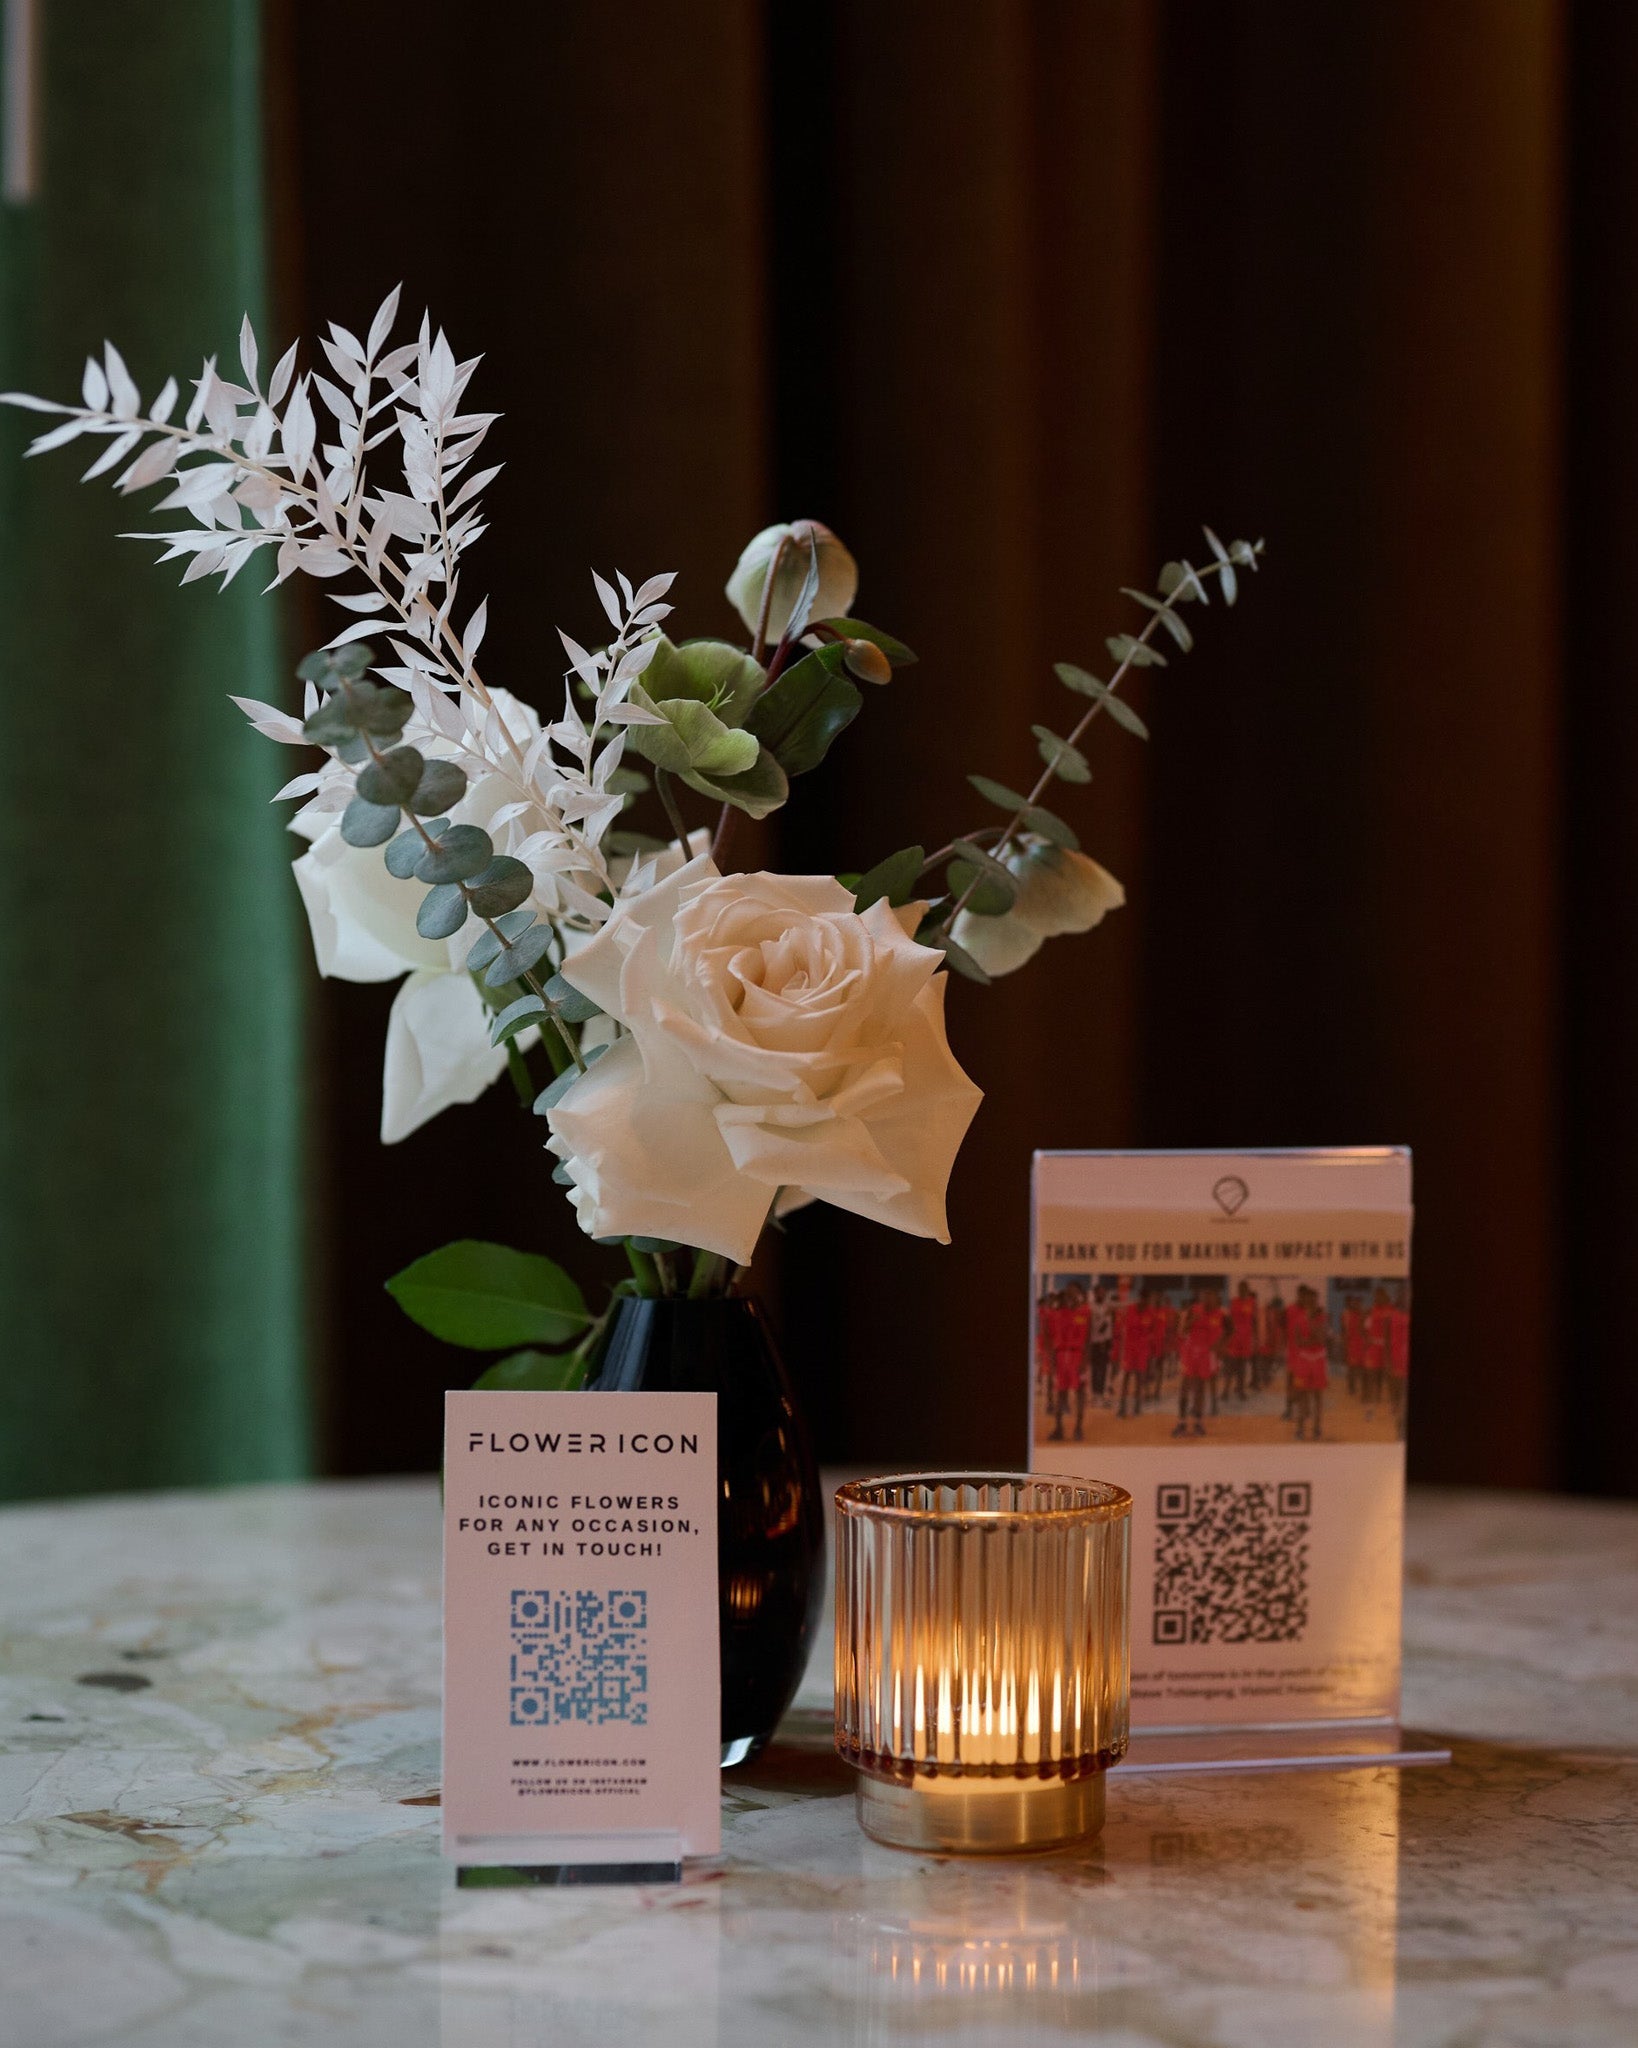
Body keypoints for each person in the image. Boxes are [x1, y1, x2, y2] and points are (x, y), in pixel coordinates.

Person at [1173, 1287, 1226, 1437]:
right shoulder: (1194, 1309)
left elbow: (1230, 1329)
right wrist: (1191, 1321)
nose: (1208, 1298)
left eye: (1211, 1295)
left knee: (1200, 1390)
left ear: (1216, 1297)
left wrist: (1221, 1343)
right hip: (1190, 1352)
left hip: (1206, 1354)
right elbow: (1182, 1330)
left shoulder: (1221, 1314)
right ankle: (1181, 1423)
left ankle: (1198, 1423)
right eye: (1206, 1294)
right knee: (1185, 1386)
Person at [1047, 1284, 1090, 1441]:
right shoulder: (1058, 1314)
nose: (1071, 1297)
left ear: (1079, 1295)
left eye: (1074, 1294)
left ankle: (1078, 1428)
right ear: (1065, 1296)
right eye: (1068, 1294)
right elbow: (1052, 1339)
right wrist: (1052, 1363)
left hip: (1077, 1356)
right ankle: (1059, 1429)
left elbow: (1088, 1339)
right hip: (1061, 1357)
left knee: (1080, 1392)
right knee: (1060, 1393)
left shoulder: (1085, 1312)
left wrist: (1085, 1362)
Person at [1290, 1292, 1329, 1440]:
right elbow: (1298, 1342)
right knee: (1302, 1395)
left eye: (1314, 1301)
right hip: (1304, 1360)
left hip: (1318, 1359)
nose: (1312, 1304)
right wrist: (1311, 1340)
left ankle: (1317, 1428)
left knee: (1318, 1396)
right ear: (1306, 1303)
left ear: (1317, 1302)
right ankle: (1300, 1429)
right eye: (1309, 1301)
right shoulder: (1299, 1320)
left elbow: (1321, 1339)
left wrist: (1311, 1335)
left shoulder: (1322, 1319)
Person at [1116, 1289, 1152, 1418]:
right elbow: (1123, 1328)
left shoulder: (1150, 1312)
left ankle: (1137, 1406)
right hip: (1129, 1348)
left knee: (1139, 1377)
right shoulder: (1130, 1309)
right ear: (1140, 1298)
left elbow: (1151, 1329)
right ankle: (1122, 1407)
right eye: (1143, 1299)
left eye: (1147, 1300)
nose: (1145, 1302)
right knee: (1126, 1377)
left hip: (1142, 1349)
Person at [1225, 1279, 1257, 1401]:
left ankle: (1241, 1390)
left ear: (1247, 1290)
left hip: (1246, 1338)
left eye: (1244, 1289)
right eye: (1240, 1289)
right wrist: (1227, 1336)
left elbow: (1254, 1321)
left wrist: (1255, 1338)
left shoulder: (1252, 1302)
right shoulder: (1233, 1302)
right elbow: (1228, 1320)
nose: (1242, 1291)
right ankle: (1226, 1390)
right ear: (1238, 1290)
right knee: (1231, 1365)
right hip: (1234, 1337)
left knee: (1242, 1366)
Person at [1364, 1286, 1392, 1418]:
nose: (1377, 1298)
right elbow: (1365, 1327)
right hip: (1374, 1348)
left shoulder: (1391, 1310)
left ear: (1385, 1296)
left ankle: (1393, 1405)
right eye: (1375, 1296)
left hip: (1387, 1347)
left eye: (1380, 1295)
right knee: (1371, 1377)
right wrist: (1367, 1339)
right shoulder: (1371, 1310)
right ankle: (1370, 1408)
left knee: (1388, 1377)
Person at [1387, 1287, 1411, 1439]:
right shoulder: (1392, 1315)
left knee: (1404, 1395)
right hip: (1396, 1359)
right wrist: (1387, 1361)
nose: (1405, 1298)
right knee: (1397, 1395)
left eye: (1407, 1295)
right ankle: (1399, 1425)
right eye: (1402, 1295)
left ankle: (1401, 1428)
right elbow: (1387, 1339)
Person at [1088, 1285, 1114, 1404]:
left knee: (1103, 1369)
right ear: (1095, 1293)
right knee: (1094, 1368)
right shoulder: (1090, 1307)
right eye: (1099, 1292)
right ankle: (1095, 1394)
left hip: (1105, 1342)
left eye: (1103, 1293)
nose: (1101, 1295)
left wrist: (1105, 1340)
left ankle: (1101, 1393)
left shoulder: (1107, 1306)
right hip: (1093, 1342)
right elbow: (1092, 1326)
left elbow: (1107, 1325)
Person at [1342, 1294, 1366, 1400]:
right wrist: (1345, 1346)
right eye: (1355, 1303)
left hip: (1362, 1344)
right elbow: (1344, 1331)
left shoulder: (1364, 1315)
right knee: (1351, 1368)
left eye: (1358, 1303)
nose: (1356, 1305)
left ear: (1361, 1304)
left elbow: (1366, 1330)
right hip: (1352, 1344)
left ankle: (1362, 1389)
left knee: (1362, 1368)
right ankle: (1351, 1388)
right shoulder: (1347, 1315)